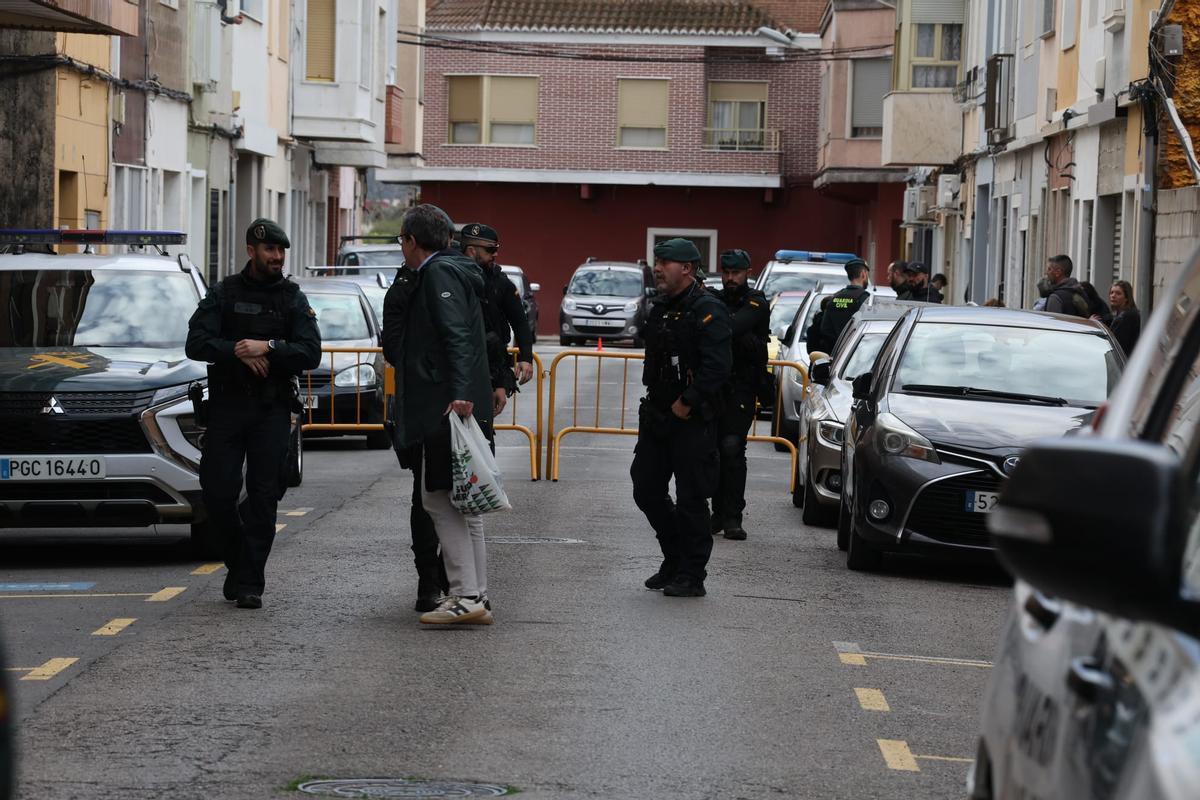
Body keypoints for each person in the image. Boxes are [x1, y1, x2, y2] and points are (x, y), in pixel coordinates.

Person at [186, 218, 322, 610]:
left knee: (264, 496)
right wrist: (238, 351)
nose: (277, 257)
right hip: (228, 406)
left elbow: (310, 352)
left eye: (281, 251)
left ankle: (250, 582)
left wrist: (269, 348)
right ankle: (239, 562)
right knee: (217, 492)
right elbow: (195, 342)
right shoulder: (224, 293)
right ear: (251, 251)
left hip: (271, 408)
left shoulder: (292, 298)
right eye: (269, 251)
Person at [392, 204, 495, 625]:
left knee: (438, 499)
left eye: (402, 241)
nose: (402, 249)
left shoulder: (437, 274)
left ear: (412, 241)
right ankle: (476, 595)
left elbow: (455, 336)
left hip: (442, 404)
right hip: (454, 400)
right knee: (464, 506)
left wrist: (458, 393)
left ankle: (465, 595)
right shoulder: (456, 270)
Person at [633, 238, 732, 598]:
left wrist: (688, 402)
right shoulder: (661, 306)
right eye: (656, 261)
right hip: (658, 414)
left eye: (665, 262)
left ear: (687, 268)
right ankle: (673, 558)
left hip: (692, 418)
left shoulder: (708, 309)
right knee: (645, 489)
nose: (657, 268)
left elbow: (718, 367)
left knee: (692, 498)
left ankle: (692, 573)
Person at [381, 260, 449, 612]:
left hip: (460, 407)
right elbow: (392, 345)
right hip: (423, 407)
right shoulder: (406, 285)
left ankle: (452, 578)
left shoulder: (461, 276)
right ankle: (429, 580)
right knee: (425, 497)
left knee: (462, 497)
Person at [712, 249, 769, 541]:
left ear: (747, 271)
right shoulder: (716, 300)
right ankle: (717, 512)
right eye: (726, 272)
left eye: (735, 273)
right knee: (712, 451)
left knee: (732, 449)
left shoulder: (756, 301)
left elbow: (732, 326)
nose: (730, 278)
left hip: (742, 387)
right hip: (714, 386)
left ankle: (733, 515)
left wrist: (717, 321)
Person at [460, 223, 535, 386]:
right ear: (471, 250)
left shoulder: (501, 283)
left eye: (496, 249)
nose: (495, 254)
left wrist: (526, 357)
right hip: (455, 362)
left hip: (490, 365)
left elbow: (519, 321)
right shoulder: (450, 278)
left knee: (487, 410)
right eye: (489, 250)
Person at [818, 258, 871, 349]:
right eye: (867, 274)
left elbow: (825, 329)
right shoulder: (865, 299)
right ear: (863, 273)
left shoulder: (834, 298)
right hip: (857, 352)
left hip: (835, 353)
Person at [1106, 280, 1141, 355]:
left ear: (1126, 298)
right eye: (1111, 292)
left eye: (1118, 293)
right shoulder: (1122, 314)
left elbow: (1118, 343)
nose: (1113, 296)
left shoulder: (1126, 316)